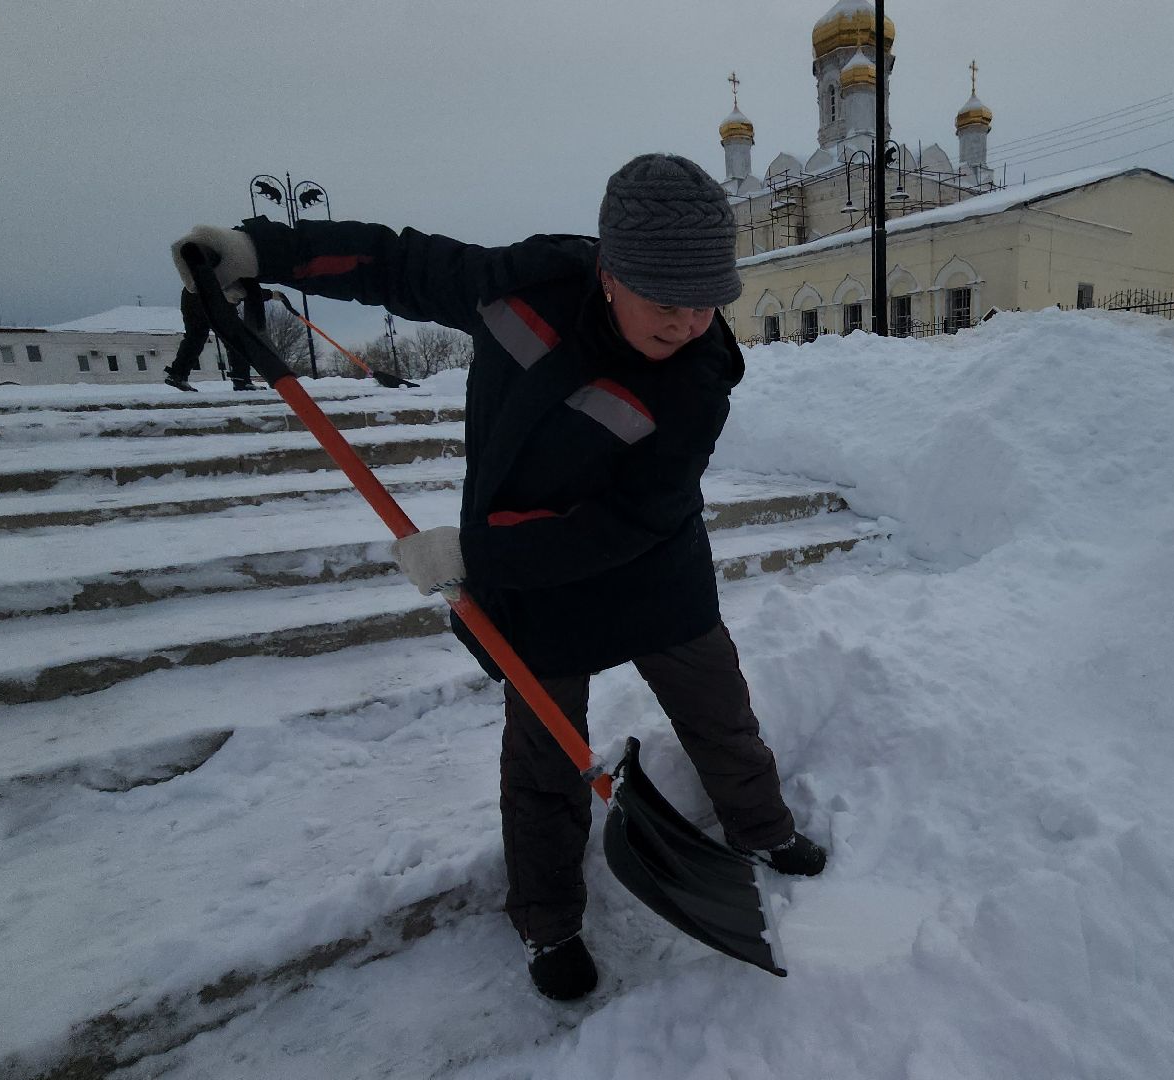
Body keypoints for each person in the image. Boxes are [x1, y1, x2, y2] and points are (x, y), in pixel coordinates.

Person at [170, 153, 826, 1001]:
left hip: (648, 566)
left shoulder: (699, 379)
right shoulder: (521, 284)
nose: (691, 322)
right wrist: (258, 252)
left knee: (717, 711)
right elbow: (393, 261)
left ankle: (763, 831)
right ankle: (548, 921)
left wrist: (474, 557)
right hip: (536, 586)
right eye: (669, 302)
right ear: (610, 272)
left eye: (710, 301)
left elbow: (630, 521)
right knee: (544, 759)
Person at [163, 281, 266, 391]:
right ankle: (241, 379)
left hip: (191, 294)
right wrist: (269, 294)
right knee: (237, 339)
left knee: (194, 337)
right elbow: (243, 289)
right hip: (215, 297)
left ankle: (178, 374)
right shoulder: (236, 270)